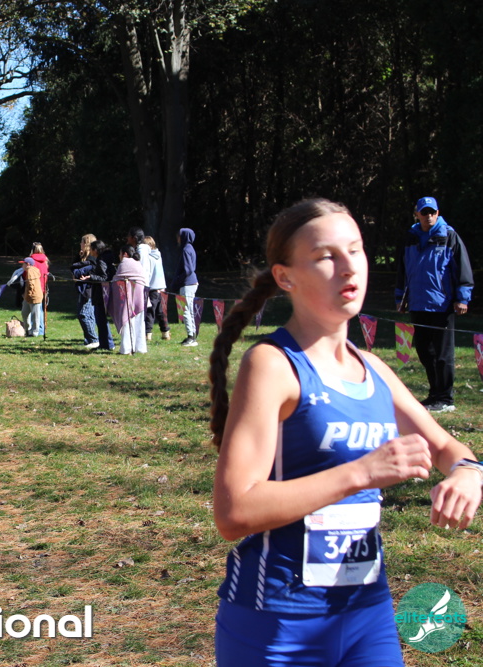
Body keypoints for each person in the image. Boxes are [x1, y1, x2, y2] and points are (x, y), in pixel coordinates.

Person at [209, 198, 482, 667]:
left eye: (355, 250)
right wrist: (362, 473)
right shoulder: (274, 365)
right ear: (286, 277)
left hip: (366, 617)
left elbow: (446, 446)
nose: (349, 267)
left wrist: (468, 472)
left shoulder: (373, 369)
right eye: (326, 256)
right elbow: (233, 511)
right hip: (277, 622)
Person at [395, 196, 473, 413]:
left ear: (437, 213)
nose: (428, 216)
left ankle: (446, 398)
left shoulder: (449, 236)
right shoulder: (410, 238)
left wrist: (462, 298)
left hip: (442, 305)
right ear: (417, 214)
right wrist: (400, 298)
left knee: (442, 355)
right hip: (418, 304)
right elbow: (402, 270)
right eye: (424, 212)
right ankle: (434, 393)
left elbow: (463, 268)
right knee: (424, 351)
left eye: (432, 212)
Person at [110, 245, 147, 354]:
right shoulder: (137, 263)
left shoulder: (125, 262)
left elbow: (116, 279)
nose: (119, 256)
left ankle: (126, 349)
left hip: (128, 295)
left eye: (120, 253)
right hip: (140, 295)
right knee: (139, 321)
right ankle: (140, 348)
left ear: (125, 254)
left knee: (126, 320)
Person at [79, 240, 115, 351]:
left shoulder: (101, 260)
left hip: (101, 293)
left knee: (100, 319)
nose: (90, 252)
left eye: (91, 249)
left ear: (95, 250)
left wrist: (91, 277)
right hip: (104, 292)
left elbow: (104, 277)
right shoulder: (107, 258)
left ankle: (106, 344)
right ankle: (106, 343)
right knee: (101, 319)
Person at [71, 234, 99, 349]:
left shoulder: (92, 259)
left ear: (87, 243)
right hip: (83, 289)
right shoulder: (83, 257)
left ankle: (94, 339)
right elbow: (73, 267)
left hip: (89, 290)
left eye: (82, 242)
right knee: (89, 314)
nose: (80, 244)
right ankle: (89, 339)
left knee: (83, 314)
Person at [142, 235, 170, 341]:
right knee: (161, 312)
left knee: (150, 312)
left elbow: (148, 273)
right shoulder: (158, 255)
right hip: (161, 288)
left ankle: (147, 334)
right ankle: (165, 332)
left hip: (152, 288)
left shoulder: (148, 258)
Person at [176, 227, 199, 346]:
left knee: (185, 310)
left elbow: (188, 270)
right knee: (189, 310)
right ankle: (192, 335)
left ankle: (191, 337)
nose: (177, 238)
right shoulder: (190, 248)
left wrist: (177, 280)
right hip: (191, 283)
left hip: (187, 283)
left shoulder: (186, 249)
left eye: (179, 236)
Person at [29, 242, 50, 336]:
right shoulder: (45, 260)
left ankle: (37, 329)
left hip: (34, 287)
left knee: (34, 310)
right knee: (40, 309)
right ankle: (41, 328)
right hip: (43, 287)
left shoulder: (31, 261)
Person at [21, 257, 43, 336]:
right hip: (28, 296)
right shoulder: (29, 270)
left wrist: (28, 294)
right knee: (24, 313)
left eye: (23, 264)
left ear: (28, 264)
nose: (22, 266)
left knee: (35, 315)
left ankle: (34, 332)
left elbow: (31, 284)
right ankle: (27, 330)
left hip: (34, 296)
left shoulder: (31, 271)